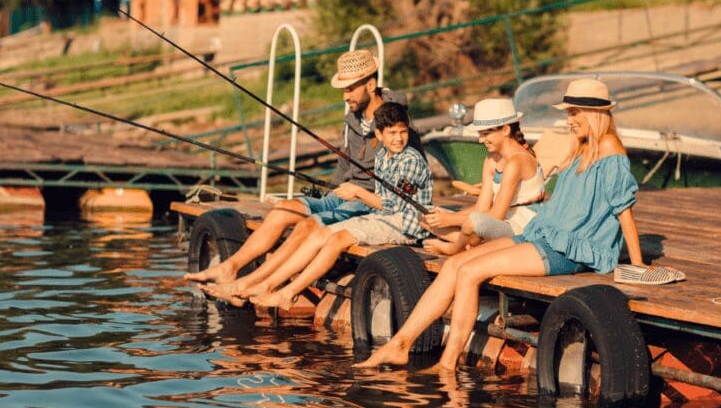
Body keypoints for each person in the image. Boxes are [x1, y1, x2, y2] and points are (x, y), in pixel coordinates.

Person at [354, 78, 648, 371]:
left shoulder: (609, 146)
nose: (569, 120)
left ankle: (447, 364)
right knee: (455, 264)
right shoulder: (582, 147)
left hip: (571, 249)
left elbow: (623, 207)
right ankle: (400, 343)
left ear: (594, 114)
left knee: (470, 272)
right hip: (547, 234)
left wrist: (637, 264)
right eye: (568, 113)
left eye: (573, 113)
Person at [184, 49, 421, 295]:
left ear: (370, 85)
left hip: (368, 202)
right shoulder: (354, 118)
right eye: (343, 89)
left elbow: (412, 173)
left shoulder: (397, 123)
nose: (345, 96)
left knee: (307, 226)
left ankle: (249, 285)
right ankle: (230, 268)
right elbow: (345, 163)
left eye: (350, 89)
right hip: (342, 194)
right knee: (283, 209)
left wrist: (368, 194)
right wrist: (329, 195)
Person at [208, 101, 432, 308]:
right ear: (379, 134)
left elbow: (395, 205)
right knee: (320, 233)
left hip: (406, 223)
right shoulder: (383, 156)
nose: (399, 138)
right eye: (392, 133)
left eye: (403, 132)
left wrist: (358, 193)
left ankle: (288, 293)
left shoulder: (411, 160)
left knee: (337, 240)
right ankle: (268, 285)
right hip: (383, 217)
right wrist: (354, 195)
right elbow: (383, 202)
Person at [421, 98, 544, 256]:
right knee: (425, 217)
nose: (480, 140)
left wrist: (450, 219)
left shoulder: (517, 161)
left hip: (521, 228)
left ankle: (454, 248)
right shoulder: (492, 160)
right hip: (498, 224)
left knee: (474, 223)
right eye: (480, 134)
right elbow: (482, 207)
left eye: (485, 134)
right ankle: (472, 244)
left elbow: (496, 215)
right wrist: (446, 216)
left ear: (505, 130)